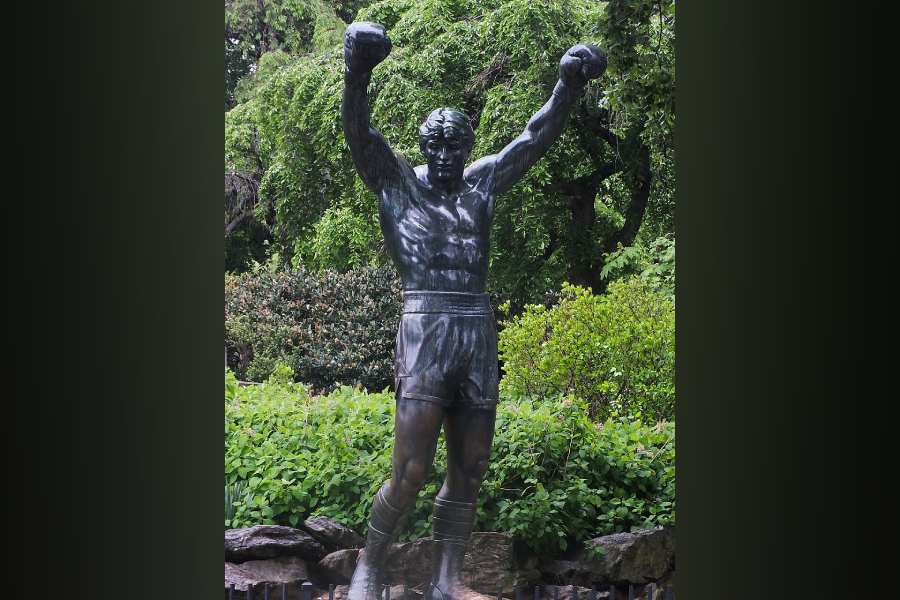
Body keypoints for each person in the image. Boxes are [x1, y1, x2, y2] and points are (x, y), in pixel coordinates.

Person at [341, 21, 607, 600]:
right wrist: (357, 70)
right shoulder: (396, 185)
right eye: (434, 145)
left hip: (476, 326)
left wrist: (567, 85)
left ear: (467, 147)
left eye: (455, 145)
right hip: (426, 323)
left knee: (472, 466)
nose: (444, 155)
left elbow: (533, 140)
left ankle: (446, 581)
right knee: (410, 472)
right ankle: (369, 565)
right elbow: (359, 134)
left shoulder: (482, 183)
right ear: (421, 146)